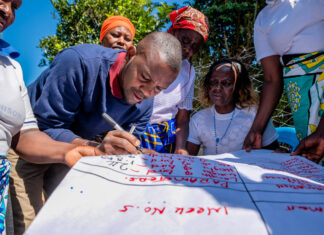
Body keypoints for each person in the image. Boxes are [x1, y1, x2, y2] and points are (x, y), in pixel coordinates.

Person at [7, 30, 182, 234]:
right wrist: (93, 147)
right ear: (131, 53)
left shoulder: (146, 104)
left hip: (79, 153)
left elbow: (121, 148)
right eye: (144, 77)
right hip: (29, 145)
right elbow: (45, 126)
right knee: (29, 224)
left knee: (73, 220)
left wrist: (128, 152)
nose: (147, 92)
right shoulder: (79, 62)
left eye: (159, 88)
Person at [0, 0, 103, 233]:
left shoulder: (12, 68)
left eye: (14, 5)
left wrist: (70, 151)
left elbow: (25, 135)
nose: (6, 10)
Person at [243, 0, 324, 163]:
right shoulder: (263, 18)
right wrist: (257, 129)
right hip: (300, 98)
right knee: (314, 163)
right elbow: (272, 79)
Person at [140, 6, 209, 154]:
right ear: (173, 32)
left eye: (195, 47)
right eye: (185, 40)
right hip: (137, 133)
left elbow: (183, 118)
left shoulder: (189, 72)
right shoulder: (145, 57)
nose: (188, 50)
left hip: (167, 139)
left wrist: (180, 147)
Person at [186, 59, 279, 155]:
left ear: (239, 88)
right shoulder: (198, 119)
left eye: (226, 83)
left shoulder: (256, 116)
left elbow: (274, 154)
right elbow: (189, 161)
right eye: (213, 82)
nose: (218, 88)